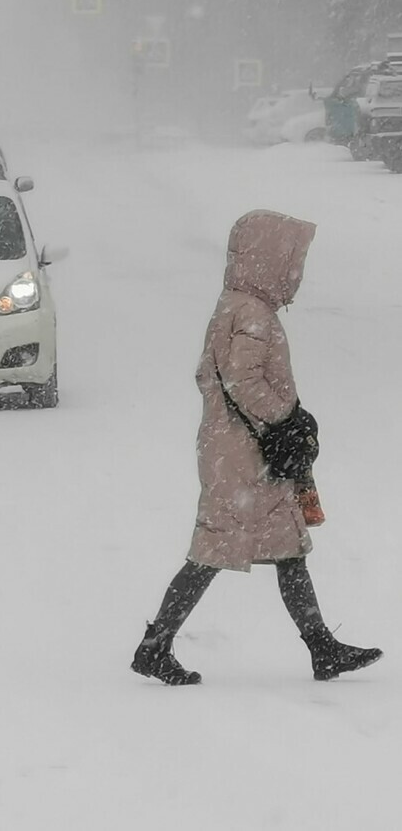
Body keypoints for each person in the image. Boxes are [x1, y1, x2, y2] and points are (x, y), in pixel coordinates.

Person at [131, 209, 382, 685]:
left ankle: (321, 646)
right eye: (291, 263)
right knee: (212, 551)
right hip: (244, 456)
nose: (296, 275)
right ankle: (155, 646)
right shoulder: (251, 314)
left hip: (242, 451)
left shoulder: (239, 304)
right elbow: (242, 380)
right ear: (269, 260)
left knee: (286, 546)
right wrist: (288, 418)